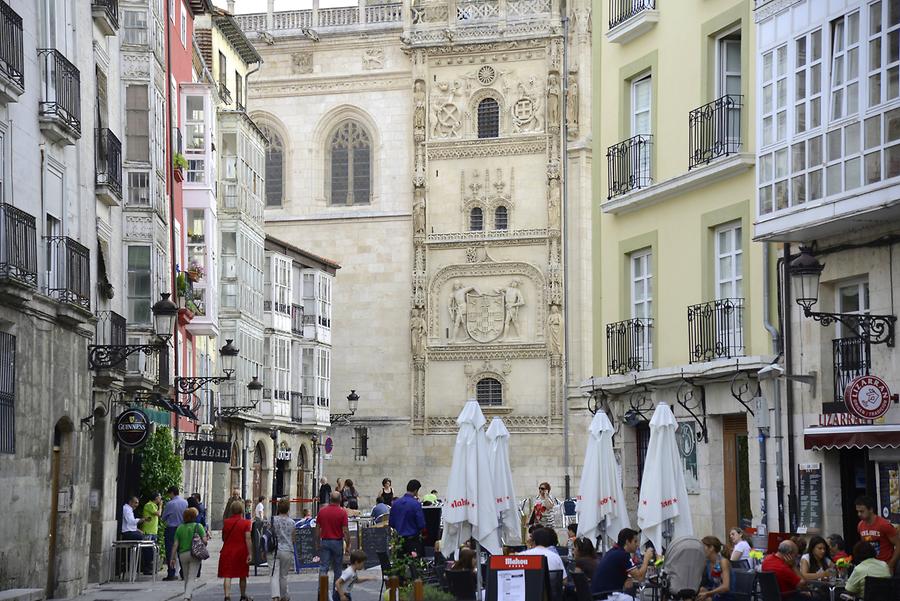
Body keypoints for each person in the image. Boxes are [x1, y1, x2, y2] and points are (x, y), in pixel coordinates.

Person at [591, 528, 653, 596]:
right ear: (627, 542)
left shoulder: (614, 551)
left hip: (598, 594)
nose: (637, 544)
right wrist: (646, 558)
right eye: (635, 541)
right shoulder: (623, 555)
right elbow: (640, 577)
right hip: (607, 595)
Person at [170, 507, 207, 601]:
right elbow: (205, 541)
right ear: (194, 516)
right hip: (194, 554)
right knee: (191, 577)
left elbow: (175, 544)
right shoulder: (198, 526)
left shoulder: (180, 527)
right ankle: (187, 597)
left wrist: (172, 558)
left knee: (186, 577)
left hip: (182, 555)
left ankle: (188, 595)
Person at [316, 491, 351, 592]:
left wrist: (317, 543)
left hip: (325, 541)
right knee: (337, 569)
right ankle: (337, 591)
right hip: (337, 541)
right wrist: (347, 544)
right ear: (340, 500)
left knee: (323, 567)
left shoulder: (322, 511)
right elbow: (345, 530)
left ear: (330, 499)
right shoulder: (342, 512)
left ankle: (322, 591)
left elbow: (317, 529)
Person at [219, 499, 253, 601]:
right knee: (242, 575)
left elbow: (224, 537)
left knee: (227, 575)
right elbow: (248, 538)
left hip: (228, 550)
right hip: (241, 551)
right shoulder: (246, 523)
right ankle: (243, 595)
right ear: (242, 510)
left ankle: (227, 596)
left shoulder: (226, 522)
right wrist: (250, 553)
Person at [856, 494, 900, 573]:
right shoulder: (860, 526)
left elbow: (898, 544)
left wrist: (891, 564)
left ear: (871, 510)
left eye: (862, 511)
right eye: (858, 511)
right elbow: (864, 547)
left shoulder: (884, 525)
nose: (859, 514)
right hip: (869, 568)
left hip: (884, 565)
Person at [389, 479, 426, 559]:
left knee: (400, 565)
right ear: (416, 490)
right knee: (414, 567)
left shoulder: (396, 503)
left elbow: (391, 523)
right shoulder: (415, 504)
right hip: (412, 540)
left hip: (399, 540)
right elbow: (421, 524)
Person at [270, 498, 297, 601]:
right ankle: (284, 596)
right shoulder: (292, 522)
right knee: (283, 575)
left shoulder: (273, 520)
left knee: (274, 574)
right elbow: (293, 538)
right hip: (287, 550)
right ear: (288, 509)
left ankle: (275, 596)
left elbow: (269, 534)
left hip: (275, 549)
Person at [162, 487, 189, 580]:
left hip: (172, 529)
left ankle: (171, 573)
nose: (169, 496)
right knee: (182, 550)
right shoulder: (185, 503)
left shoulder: (170, 504)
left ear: (172, 493)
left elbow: (163, 517)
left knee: (170, 551)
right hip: (183, 528)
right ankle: (184, 573)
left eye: (169, 494)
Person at [697, 536, 731, 601]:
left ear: (711, 548)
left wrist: (707, 594)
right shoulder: (707, 562)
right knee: (699, 592)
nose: (701, 550)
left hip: (725, 597)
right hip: (714, 593)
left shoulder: (723, 562)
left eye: (703, 547)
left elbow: (726, 587)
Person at [140, 493, 163, 575]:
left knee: (151, 550)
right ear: (156, 498)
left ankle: (150, 567)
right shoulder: (149, 505)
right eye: (160, 498)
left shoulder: (153, 505)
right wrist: (160, 506)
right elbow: (158, 514)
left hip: (153, 531)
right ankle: (147, 568)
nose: (160, 500)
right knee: (147, 550)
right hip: (148, 531)